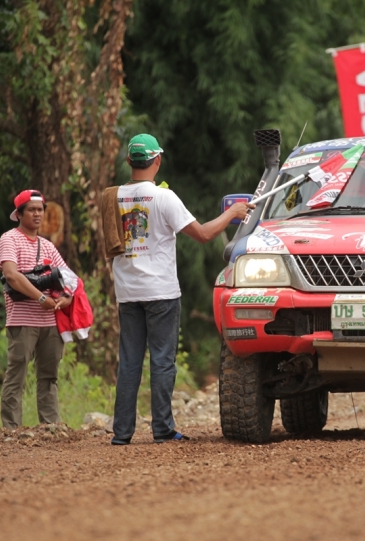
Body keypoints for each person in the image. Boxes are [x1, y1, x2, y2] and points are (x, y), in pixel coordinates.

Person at [107, 133, 252, 445]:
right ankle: (162, 429)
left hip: (127, 291)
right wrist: (233, 213)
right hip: (160, 291)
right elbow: (201, 234)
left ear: (130, 161)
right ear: (157, 160)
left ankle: (121, 433)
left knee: (130, 361)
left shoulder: (112, 197)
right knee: (162, 360)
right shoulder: (163, 197)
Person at [0, 190, 72, 429]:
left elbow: (69, 277)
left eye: (40, 209)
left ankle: (50, 426)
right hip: (22, 320)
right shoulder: (9, 239)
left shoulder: (47, 246)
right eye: (32, 209)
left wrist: (67, 296)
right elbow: (11, 275)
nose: (37, 214)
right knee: (16, 375)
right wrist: (41, 297)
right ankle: (12, 429)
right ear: (19, 214)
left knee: (49, 377)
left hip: (50, 322)